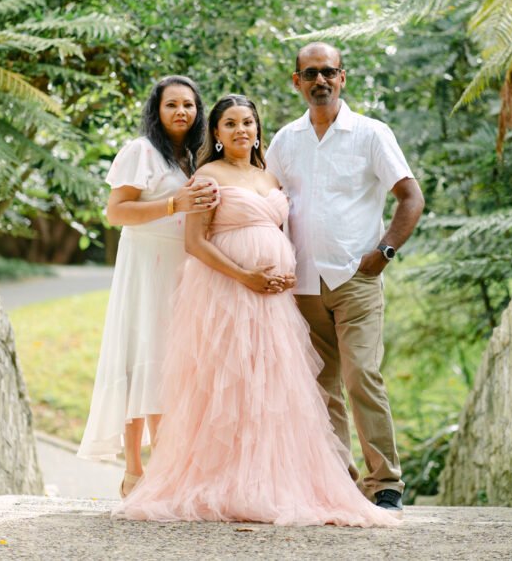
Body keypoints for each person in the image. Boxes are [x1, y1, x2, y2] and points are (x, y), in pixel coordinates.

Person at [116, 94, 399, 527]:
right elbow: (195, 243)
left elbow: (282, 231)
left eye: (247, 122)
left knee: (270, 387)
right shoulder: (207, 176)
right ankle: (225, 480)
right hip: (226, 292)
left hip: (274, 300)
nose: (240, 130)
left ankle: (268, 479)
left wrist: (284, 271)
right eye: (230, 124)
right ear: (216, 133)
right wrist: (245, 275)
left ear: (257, 129)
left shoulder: (270, 177)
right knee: (230, 386)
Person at [265, 42, 425, 513]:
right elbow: (265, 198)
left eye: (328, 72)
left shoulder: (371, 134)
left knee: (361, 377)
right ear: (296, 81)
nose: (321, 81)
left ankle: (385, 482)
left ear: (343, 77)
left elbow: (411, 197)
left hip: (356, 280)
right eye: (310, 73)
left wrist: (384, 251)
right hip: (301, 284)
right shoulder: (285, 141)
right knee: (322, 387)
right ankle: (337, 482)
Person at [77, 75, 220, 497]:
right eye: (171, 104)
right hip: (145, 264)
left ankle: (168, 464)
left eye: (188, 105)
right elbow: (116, 212)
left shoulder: (195, 158)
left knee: (169, 362)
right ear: (157, 110)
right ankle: (135, 469)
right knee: (139, 356)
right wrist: (174, 203)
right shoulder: (141, 151)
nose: (181, 112)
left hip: (183, 267)